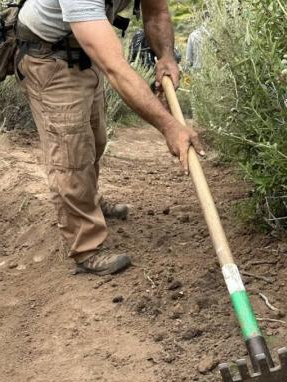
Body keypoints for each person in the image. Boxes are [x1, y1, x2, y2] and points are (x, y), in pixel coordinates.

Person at [16, 0, 204, 276]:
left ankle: (88, 199)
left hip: (82, 53)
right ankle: (86, 249)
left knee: (94, 139)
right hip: (49, 58)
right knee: (71, 156)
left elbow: (157, 11)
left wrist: (166, 56)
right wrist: (170, 126)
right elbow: (115, 67)